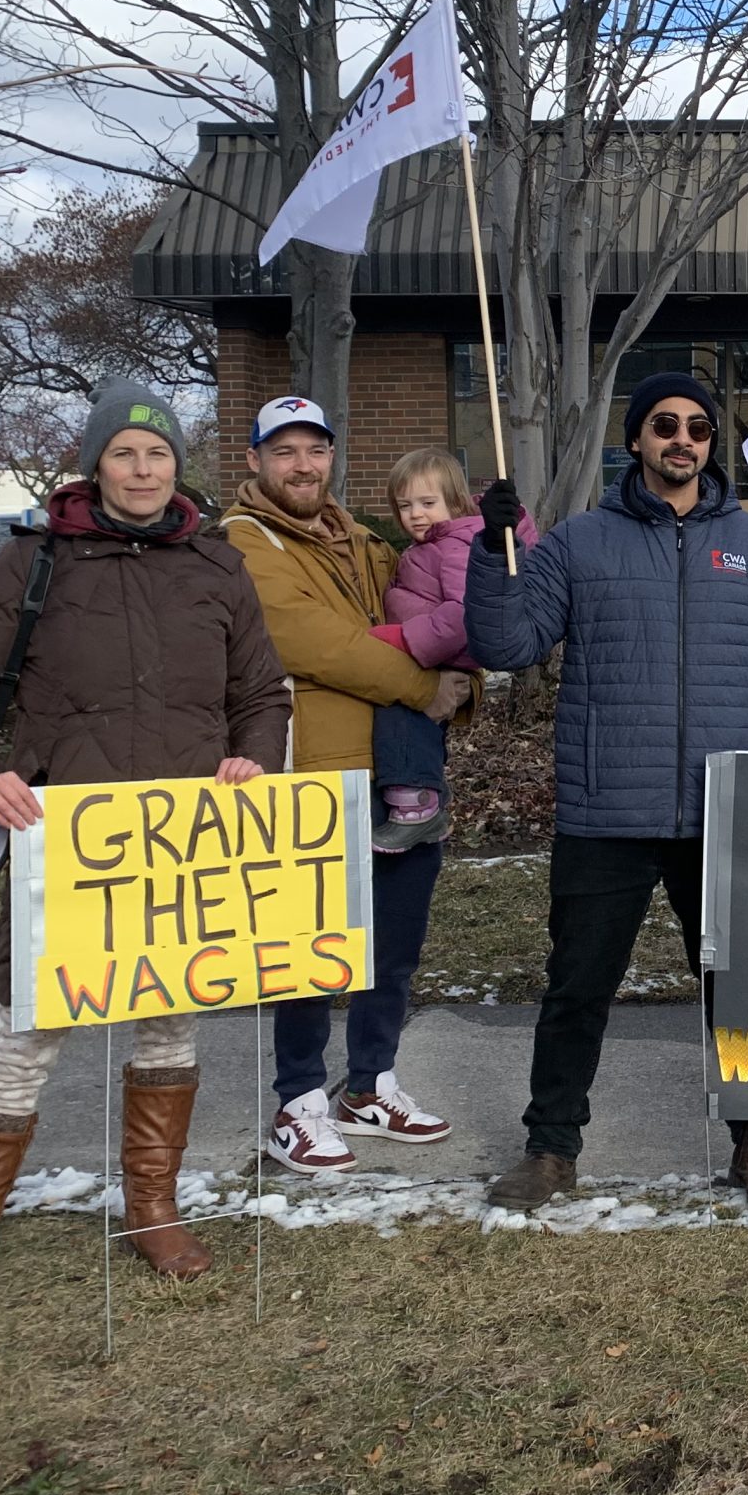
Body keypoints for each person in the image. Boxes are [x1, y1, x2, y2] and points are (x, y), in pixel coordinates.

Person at [0, 381, 289, 1362]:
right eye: (124, 454)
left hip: (180, 844)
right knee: (26, 1032)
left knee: (169, 1014)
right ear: (95, 464)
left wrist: (252, 753)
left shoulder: (216, 563)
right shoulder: (33, 562)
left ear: (176, 465)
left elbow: (261, 691)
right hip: (66, 846)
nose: (144, 469)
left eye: (157, 454)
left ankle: (152, 1207)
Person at [464, 373, 748, 1215]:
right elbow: (508, 642)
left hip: (728, 807)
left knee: (744, 988)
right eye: (664, 425)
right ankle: (550, 1149)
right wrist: (492, 556)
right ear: (636, 440)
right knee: (578, 987)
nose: (682, 439)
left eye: (699, 427)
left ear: (712, 443)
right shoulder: (578, 542)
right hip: (608, 809)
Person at [221, 398, 475, 1174]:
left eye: (316, 449)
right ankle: (298, 1101)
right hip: (310, 776)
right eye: (285, 450)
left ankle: (369, 1084)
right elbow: (313, 642)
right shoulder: (244, 540)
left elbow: (440, 619)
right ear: (257, 461)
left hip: (397, 773)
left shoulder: (367, 539)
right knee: (308, 947)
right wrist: (422, 686)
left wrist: (462, 682)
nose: (303, 464)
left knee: (392, 945)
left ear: (333, 457)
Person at [369, 447, 540, 850]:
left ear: (457, 502)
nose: (415, 514)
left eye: (428, 503)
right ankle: (424, 797)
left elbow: (466, 612)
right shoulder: (432, 545)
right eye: (404, 505)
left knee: (404, 713)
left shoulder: (456, 544)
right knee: (417, 725)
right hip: (432, 650)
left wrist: (400, 638)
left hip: (438, 650)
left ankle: (417, 806)